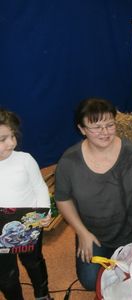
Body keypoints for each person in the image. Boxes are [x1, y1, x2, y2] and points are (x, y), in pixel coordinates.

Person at [54, 98, 132, 291]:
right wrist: (82, 232)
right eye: (96, 127)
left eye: (109, 125)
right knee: (90, 282)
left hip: (131, 230)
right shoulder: (69, 161)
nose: (105, 132)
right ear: (82, 129)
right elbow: (62, 199)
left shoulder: (131, 152)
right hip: (92, 232)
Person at [0, 108, 52, 300]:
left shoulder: (25, 160)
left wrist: (44, 212)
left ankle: (42, 294)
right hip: (0, 231)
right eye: (3, 139)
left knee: (33, 261)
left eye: (13, 136)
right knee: (6, 274)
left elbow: (39, 187)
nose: (12, 142)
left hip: (30, 222)